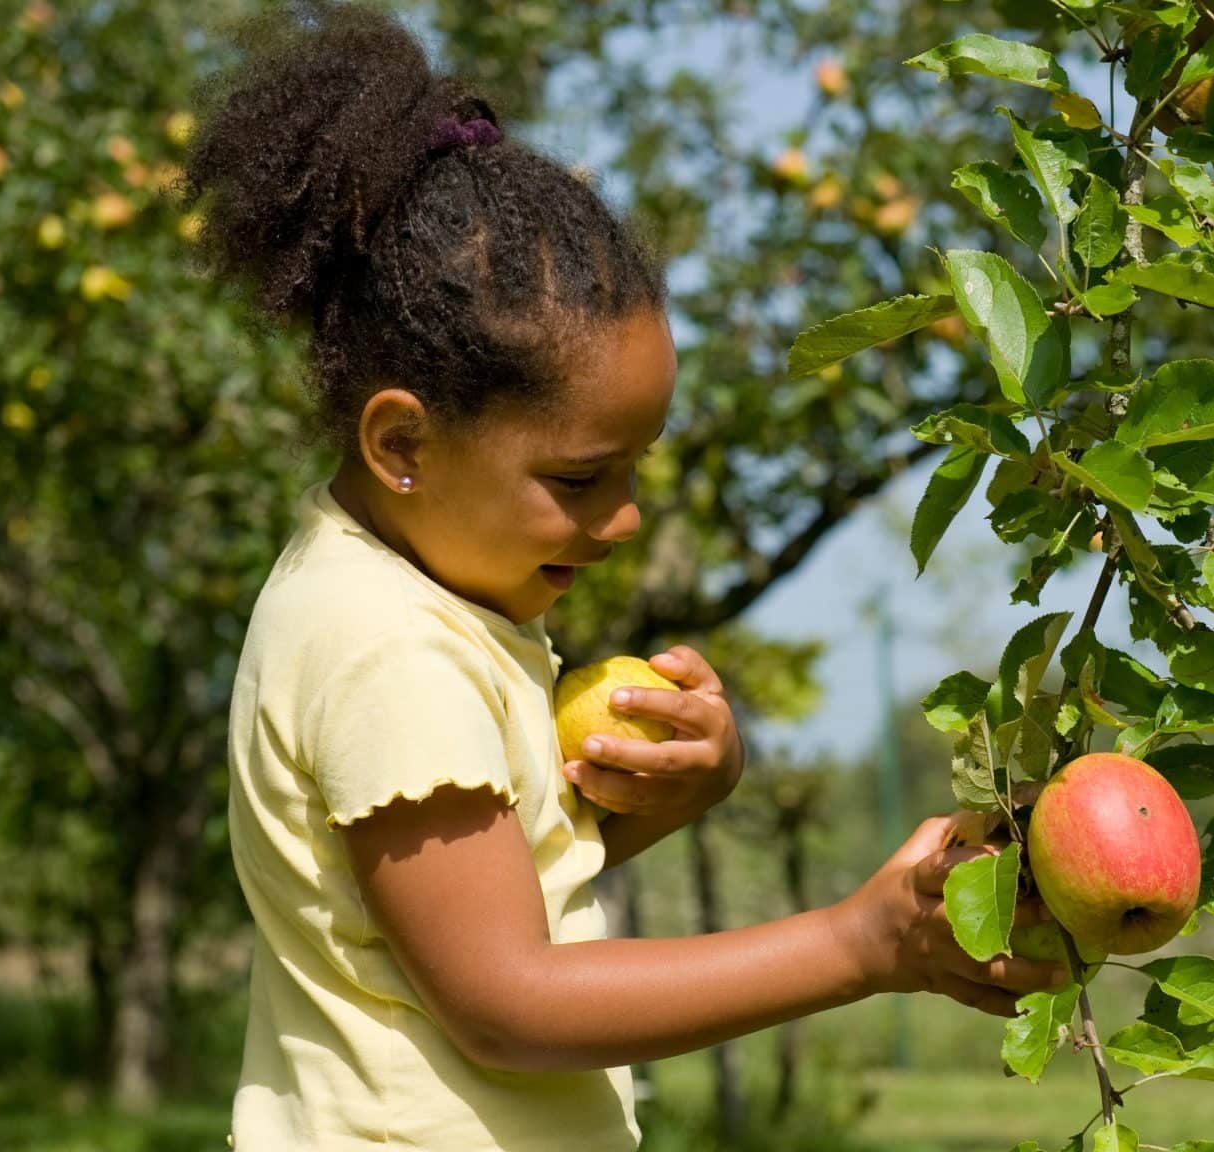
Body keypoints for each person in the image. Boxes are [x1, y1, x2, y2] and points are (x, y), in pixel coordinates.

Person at [189, 4, 1067, 1148]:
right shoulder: (387, 650)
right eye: (581, 477)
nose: (624, 517)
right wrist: (856, 948)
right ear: (400, 446)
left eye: (635, 467)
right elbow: (506, 1001)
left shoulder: (406, 604)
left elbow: (489, 897)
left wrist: (674, 794)